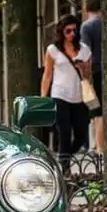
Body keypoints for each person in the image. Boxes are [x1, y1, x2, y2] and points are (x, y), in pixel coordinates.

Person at [40, 14, 92, 172]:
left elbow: (88, 75)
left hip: (79, 96)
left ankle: (65, 155)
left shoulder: (84, 50)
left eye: (75, 30)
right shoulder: (53, 50)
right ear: (61, 32)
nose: (72, 34)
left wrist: (83, 68)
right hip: (59, 94)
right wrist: (43, 97)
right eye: (68, 31)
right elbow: (47, 75)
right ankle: (65, 168)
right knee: (64, 131)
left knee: (81, 133)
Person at [80, 0, 104, 159]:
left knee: (97, 112)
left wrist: (84, 76)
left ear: (85, 8)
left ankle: (100, 149)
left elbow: (85, 52)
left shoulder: (87, 27)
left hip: (95, 72)